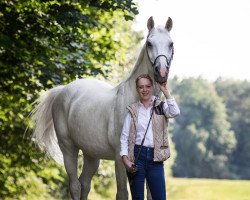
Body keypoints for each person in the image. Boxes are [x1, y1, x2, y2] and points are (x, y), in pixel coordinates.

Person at [120, 74, 180, 200]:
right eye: (141, 87)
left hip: (156, 159)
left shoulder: (161, 106)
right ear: (137, 90)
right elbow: (124, 138)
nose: (144, 89)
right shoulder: (133, 110)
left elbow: (175, 112)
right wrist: (125, 160)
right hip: (137, 157)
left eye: (147, 86)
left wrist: (165, 91)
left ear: (152, 87)